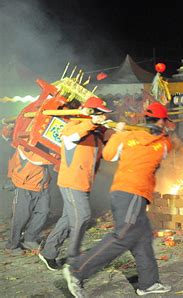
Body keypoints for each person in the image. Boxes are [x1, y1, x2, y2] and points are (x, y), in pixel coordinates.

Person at [63, 102, 173, 297]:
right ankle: (77, 270)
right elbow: (163, 147)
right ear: (162, 121)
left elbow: (108, 155)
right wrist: (128, 134)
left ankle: (148, 283)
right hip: (131, 192)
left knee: (142, 237)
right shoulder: (163, 142)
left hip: (127, 193)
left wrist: (119, 135)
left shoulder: (128, 136)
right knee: (123, 235)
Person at [38, 97, 112, 271]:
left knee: (68, 218)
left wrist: (112, 135)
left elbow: (105, 155)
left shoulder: (96, 135)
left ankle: (48, 252)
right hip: (71, 182)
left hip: (84, 183)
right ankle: (74, 259)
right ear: (91, 113)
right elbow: (73, 135)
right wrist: (91, 123)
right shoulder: (72, 128)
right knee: (83, 216)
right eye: (100, 113)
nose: (103, 117)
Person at [5, 145, 52, 253]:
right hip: (24, 185)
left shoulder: (45, 143)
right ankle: (12, 245)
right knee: (21, 217)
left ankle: (30, 239)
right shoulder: (24, 143)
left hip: (42, 186)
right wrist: (56, 156)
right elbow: (36, 159)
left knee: (43, 213)